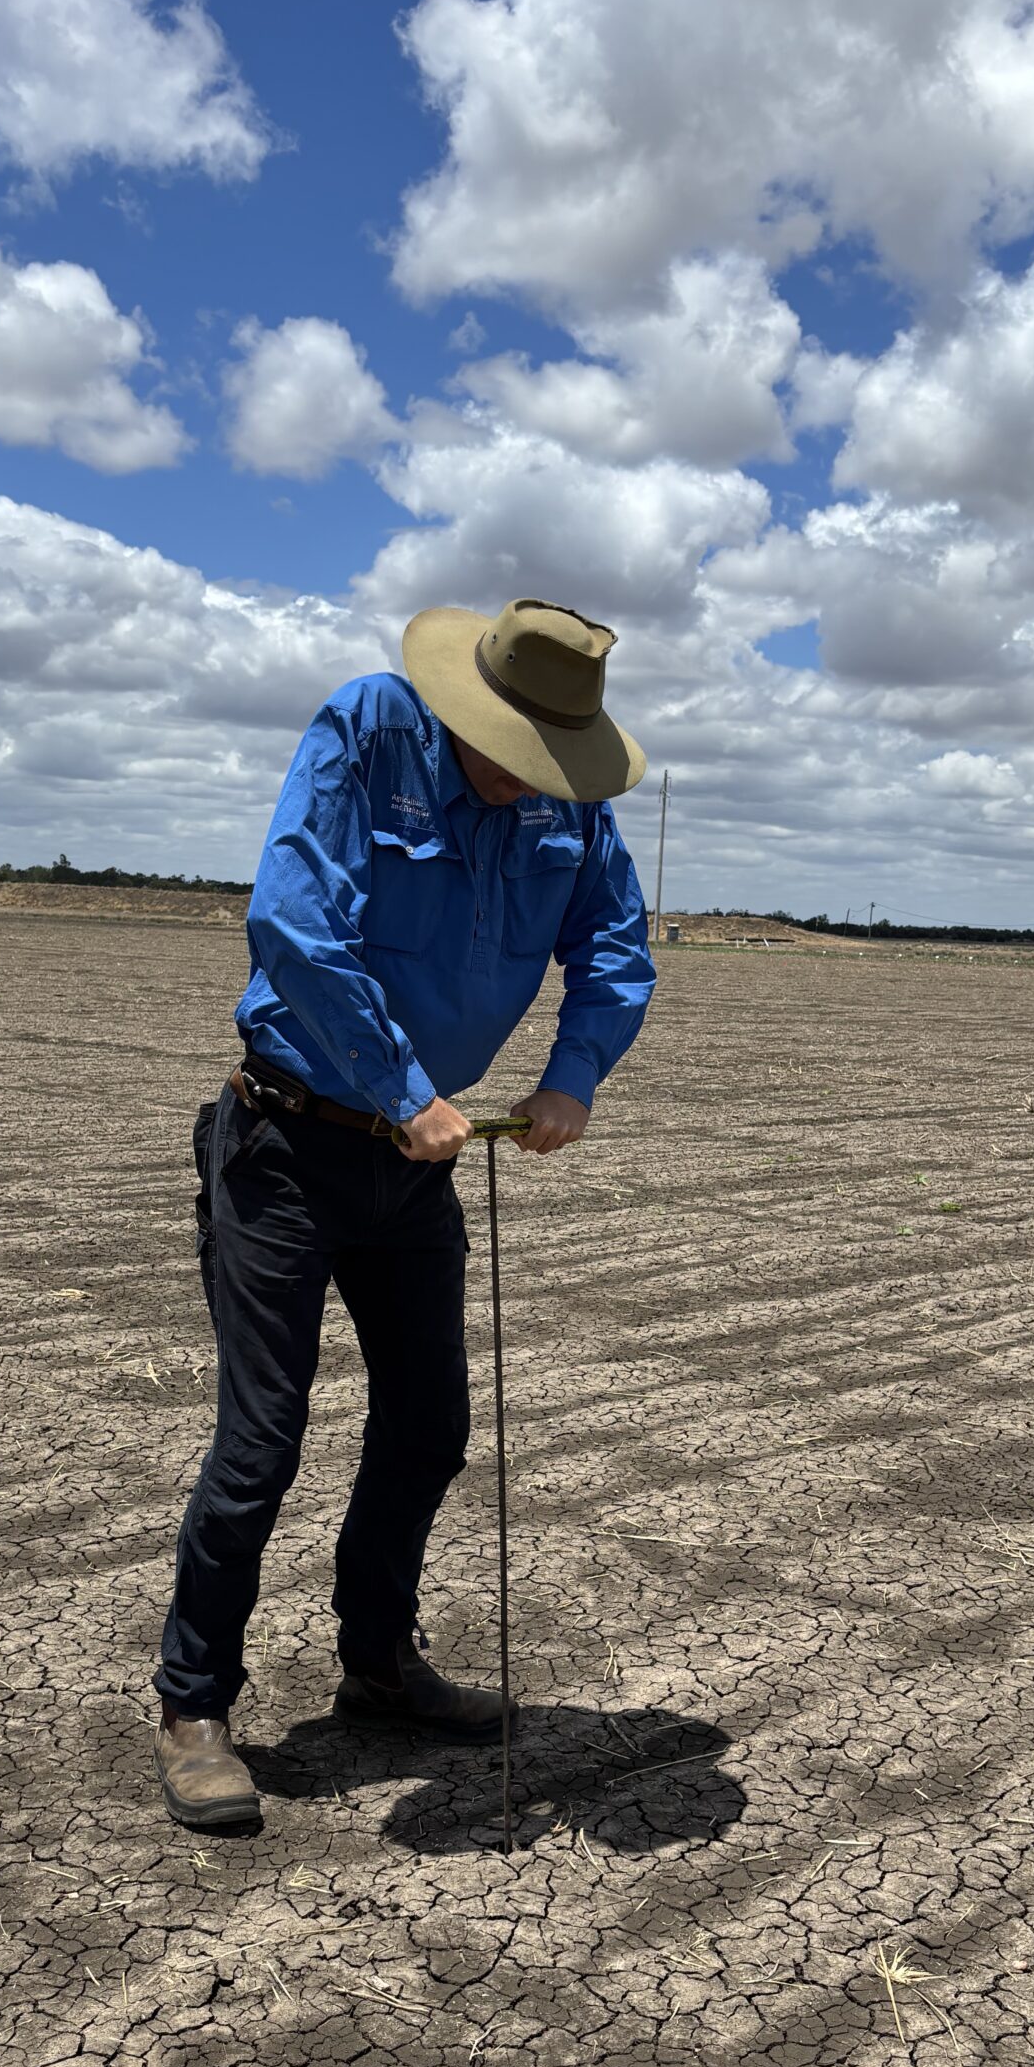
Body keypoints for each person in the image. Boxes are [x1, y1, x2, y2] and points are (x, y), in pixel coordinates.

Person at [155, 598, 656, 1827]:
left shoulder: (569, 809)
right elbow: (294, 922)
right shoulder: (369, 730)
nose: (536, 780)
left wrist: (569, 1080)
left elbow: (618, 948)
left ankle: (378, 1663)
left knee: (429, 1423)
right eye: (521, 751)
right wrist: (401, 1084)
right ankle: (194, 1702)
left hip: (414, 1169)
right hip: (289, 1141)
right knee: (262, 1441)